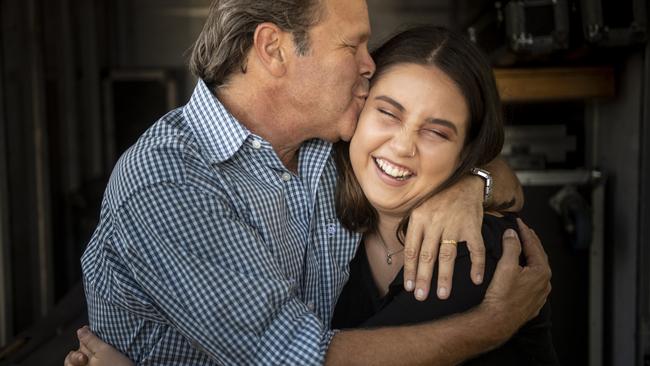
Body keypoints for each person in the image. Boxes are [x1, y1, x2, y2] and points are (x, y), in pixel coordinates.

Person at [69, 0, 551, 365]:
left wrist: (476, 182)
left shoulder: (326, 146)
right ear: (273, 50)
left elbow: (448, 147)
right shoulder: (170, 183)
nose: (369, 64)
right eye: (352, 45)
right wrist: (493, 324)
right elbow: (293, 356)